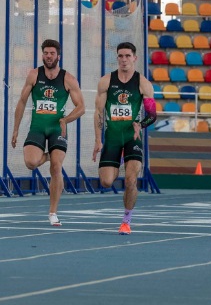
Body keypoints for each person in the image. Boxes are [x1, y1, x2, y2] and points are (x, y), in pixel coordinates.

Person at [10, 39, 86, 226]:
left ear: (58, 56)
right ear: (42, 55)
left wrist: (66, 120)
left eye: (52, 53)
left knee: (56, 167)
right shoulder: (34, 75)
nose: (49, 56)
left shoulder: (68, 79)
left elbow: (81, 107)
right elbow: (22, 101)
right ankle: (52, 154)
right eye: (46, 53)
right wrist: (16, 129)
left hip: (57, 128)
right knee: (31, 163)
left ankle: (53, 212)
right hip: (37, 127)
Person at [92, 42, 157, 234]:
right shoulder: (106, 81)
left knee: (130, 180)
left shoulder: (143, 83)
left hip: (132, 137)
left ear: (134, 58)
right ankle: (119, 159)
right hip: (112, 137)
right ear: (117, 58)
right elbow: (99, 112)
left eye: (127, 56)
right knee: (106, 182)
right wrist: (98, 140)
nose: (124, 59)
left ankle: (126, 221)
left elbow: (152, 114)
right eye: (120, 56)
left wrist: (140, 125)